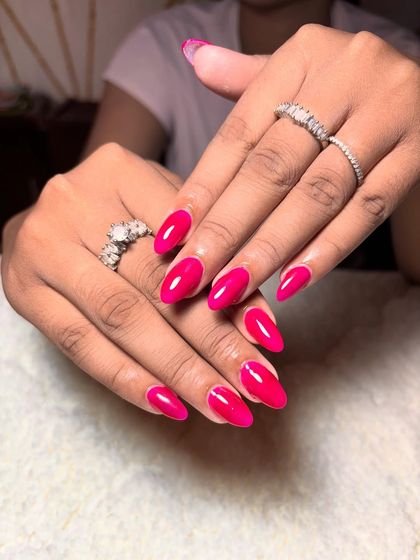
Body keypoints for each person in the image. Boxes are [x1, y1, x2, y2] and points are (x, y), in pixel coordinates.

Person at [2, 0, 419, 428]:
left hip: (350, 380)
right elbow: (72, 204)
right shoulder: (163, 43)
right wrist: (24, 234)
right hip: (184, 348)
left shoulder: (402, 61)